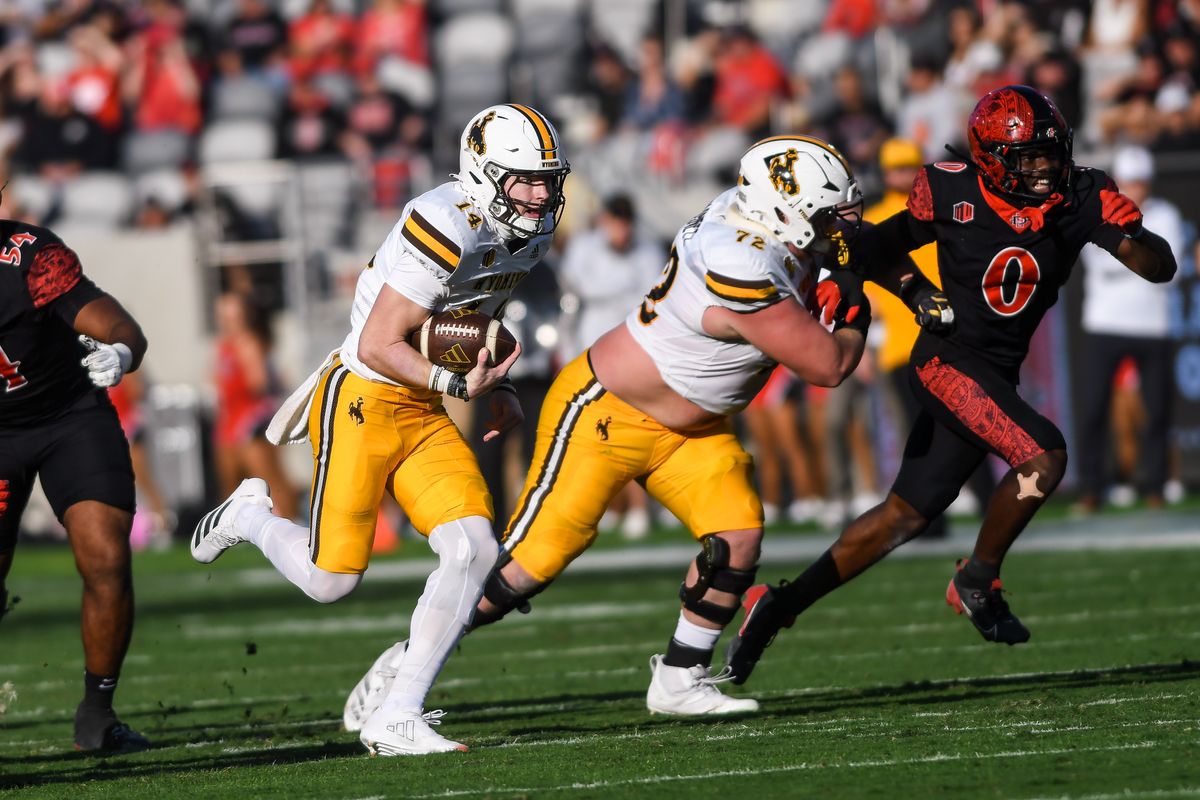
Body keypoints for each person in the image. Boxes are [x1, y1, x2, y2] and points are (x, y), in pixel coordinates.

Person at [345, 135, 911, 725]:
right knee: (518, 573)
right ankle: (402, 666)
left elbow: (857, 249)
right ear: (785, 214)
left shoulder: (755, 221)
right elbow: (829, 365)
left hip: (692, 430)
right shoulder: (740, 259)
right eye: (830, 216)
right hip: (606, 413)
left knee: (736, 537)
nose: (844, 228)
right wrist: (851, 304)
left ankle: (680, 676)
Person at [725, 85, 1178, 685]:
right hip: (946, 362)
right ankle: (977, 579)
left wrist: (1138, 235)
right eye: (1028, 157)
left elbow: (1160, 268)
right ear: (991, 157)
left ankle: (776, 606)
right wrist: (894, 289)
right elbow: (870, 246)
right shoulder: (950, 186)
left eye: (1050, 152)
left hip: (994, 372)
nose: (1044, 167)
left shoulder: (1081, 193)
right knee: (1042, 456)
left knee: (902, 517)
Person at [189, 104, 569, 756]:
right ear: (481, 174)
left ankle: (397, 712)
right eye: (522, 180)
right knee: (331, 579)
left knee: (474, 547)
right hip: (365, 394)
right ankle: (251, 515)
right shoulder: (445, 221)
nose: (538, 195)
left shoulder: (527, 231)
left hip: (419, 404)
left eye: (547, 180)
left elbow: (474, 312)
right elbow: (379, 339)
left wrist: (496, 381)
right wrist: (456, 386)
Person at [0, 210, 151, 752]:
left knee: (106, 556)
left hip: (68, 416)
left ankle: (97, 712)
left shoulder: (28, 257)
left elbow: (118, 324)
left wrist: (121, 352)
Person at [863, 137, 994, 537]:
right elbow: (869, 292)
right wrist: (868, 346)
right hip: (901, 348)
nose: (902, 175)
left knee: (970, 425)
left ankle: (991, 505)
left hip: (951, 340)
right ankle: (930, 518)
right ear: (886, 173)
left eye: (908, 167)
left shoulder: (937, 212)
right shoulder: (879, 219)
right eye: (896, 168)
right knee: (918, 437)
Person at [1075, 145, 1186, 511]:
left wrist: (1130, 254)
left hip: (1152, 327)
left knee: (1157, 411)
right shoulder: (1097, 215)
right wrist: (1140, 260)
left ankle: (1154, 484)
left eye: (1142, 182)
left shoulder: (1166, 214)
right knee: (1093, 408)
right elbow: (1102, 264)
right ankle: (1092, 488)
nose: (1137, 189)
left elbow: (1167, 272)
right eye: (1131, 182)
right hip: (1104, 323)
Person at [558, 193, 664, 539]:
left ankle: (640, 507)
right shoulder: (585, 249)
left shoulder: (647, 253)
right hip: (592, 354)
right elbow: (575, 292)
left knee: (631, 433)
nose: (620, 231)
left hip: (634, 354)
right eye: (614, 222)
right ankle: (613, 506)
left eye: (625, 222)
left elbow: (653, 299)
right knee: (597, 436)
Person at [211, 291, 297, 522]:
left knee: (268, 477)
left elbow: (258, 383)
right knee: (230, 479)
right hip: (229, 418)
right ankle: (234, 526)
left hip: (248, 419)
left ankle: (291, 519)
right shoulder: (224, 345)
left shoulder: (249, 342)